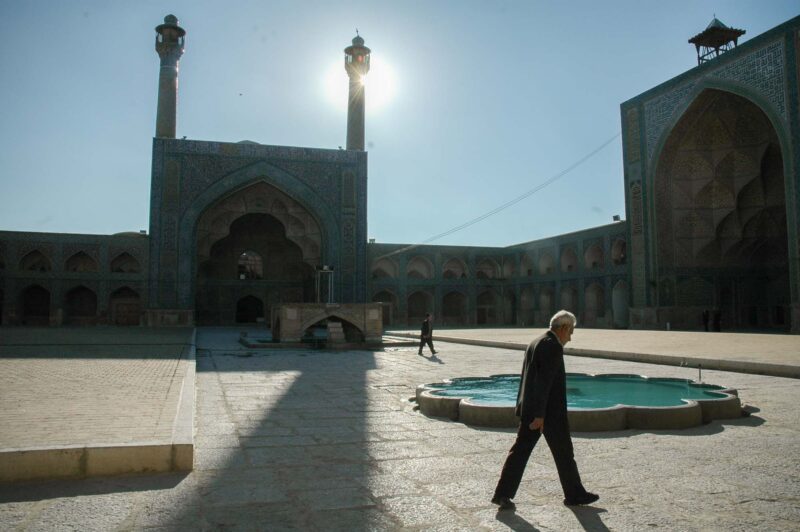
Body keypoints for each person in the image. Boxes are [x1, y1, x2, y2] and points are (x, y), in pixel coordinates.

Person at [492, 310, 598, 510]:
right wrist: (540, 415)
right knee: (559, 453)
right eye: (571, 331)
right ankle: (574, 494)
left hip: (533, 408)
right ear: (564, 328)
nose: (571, 336)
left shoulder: (536, 341)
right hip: (547, 413)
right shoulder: (552, 346)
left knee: (532, 452)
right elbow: (544, 382)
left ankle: (503, 494)